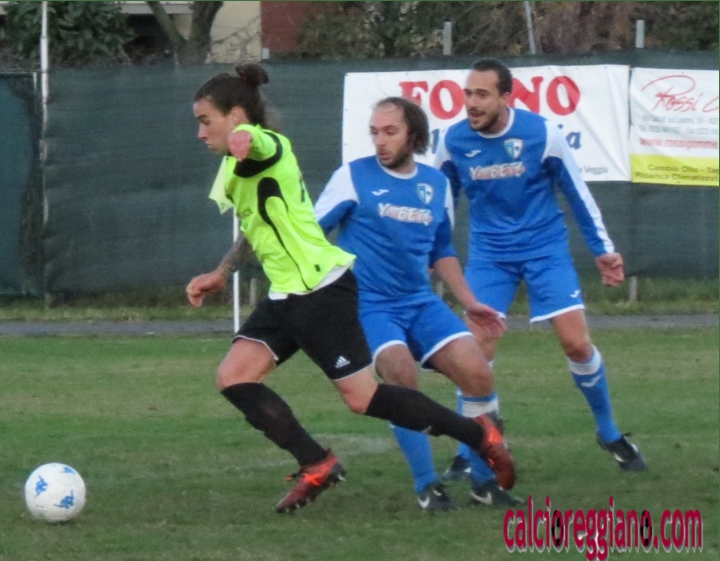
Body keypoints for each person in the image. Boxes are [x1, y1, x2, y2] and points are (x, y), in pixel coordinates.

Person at [185, 63, 515, 514]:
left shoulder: (267, 148)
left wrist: (248, 137)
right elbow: (255, 224)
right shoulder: (233, 164)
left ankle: (478, 434)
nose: (201, 132)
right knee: (233, 377)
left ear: (237, 116)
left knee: (363, 399)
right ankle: (316, 463)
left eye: (206, 121)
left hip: (320, 292)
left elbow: (262, 142)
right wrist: (222, 271)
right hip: (286, 294)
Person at [434, 58, 646, 487]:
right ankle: (467, 449)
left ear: (505, 97)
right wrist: (429, 252)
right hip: (490, 255)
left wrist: (603, 251)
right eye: (467, 94)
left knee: (576, 343)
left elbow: (576, 192)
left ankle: (608, 432)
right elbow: (441, 205)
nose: (471, 103)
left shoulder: (542, 134)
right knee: (473, 354)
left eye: (482, 94)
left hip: (545, 250)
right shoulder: (453, 141)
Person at [314, 97, 522, 510]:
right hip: (371, 305)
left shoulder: (436, 184)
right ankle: (428, 485)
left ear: (414, 135)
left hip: (420, 302)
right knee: (400, 374)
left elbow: (441, 249)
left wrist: (470, 301)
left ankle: (485, 485)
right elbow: (311, 233)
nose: (380, 141)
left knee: (478, 372)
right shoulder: (352, 177)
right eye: (375, 132)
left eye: (390, 132)